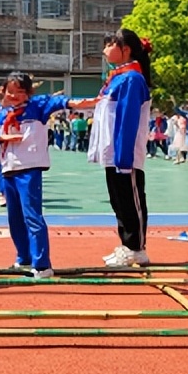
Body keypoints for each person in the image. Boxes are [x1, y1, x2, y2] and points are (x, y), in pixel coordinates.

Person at [72, 29, 152, 267]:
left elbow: (127, 119)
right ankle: (127, 245)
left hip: (123, 153)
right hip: (112, 152)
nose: (104, 49)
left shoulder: (132, 79)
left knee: (130, 199)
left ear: (125, 49)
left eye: (109, 44)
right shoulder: (117, 78)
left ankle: (137, 248)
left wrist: (123, 156)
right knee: (118, 200)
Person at [0, 71, 75, 278]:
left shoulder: (37, 107)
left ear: (28, 93)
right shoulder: (2, 114)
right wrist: (1, 137)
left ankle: (42, 264)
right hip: (8, 169)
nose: (14, 96)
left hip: (29, 169)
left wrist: (78, 103)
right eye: (10, 92)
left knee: (32, 216)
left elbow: (60, 102)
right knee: (14, 218)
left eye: (20, 92)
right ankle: (24, 257)